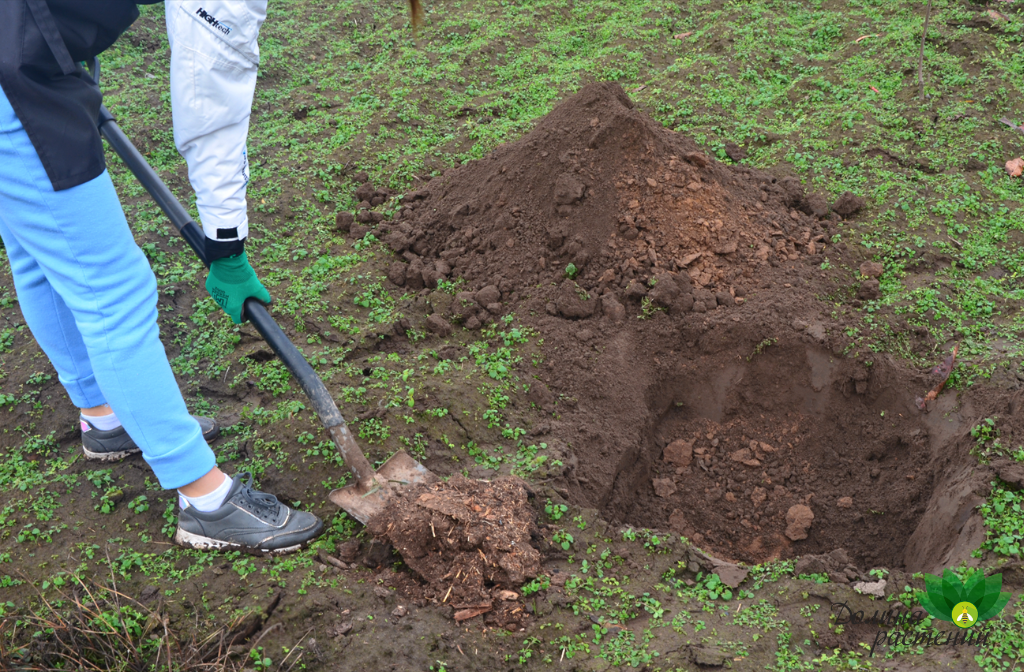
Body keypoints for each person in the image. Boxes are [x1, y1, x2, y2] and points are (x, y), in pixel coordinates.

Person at [0, 0, 323, 553]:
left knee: (36, 254)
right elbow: (212, 81)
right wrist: (227, 242)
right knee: (113, 292)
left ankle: (104, 416)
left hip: (19, 52)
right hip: (14, 79)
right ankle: (206, 500)